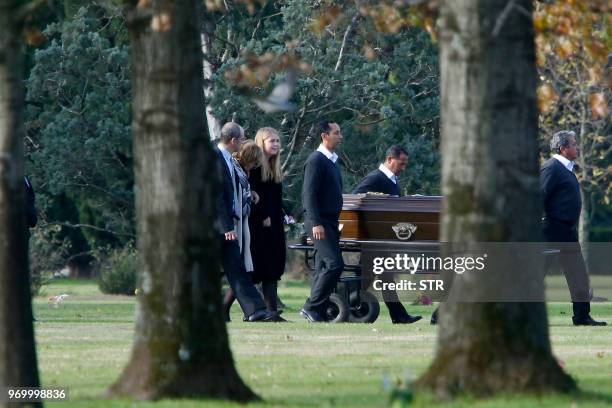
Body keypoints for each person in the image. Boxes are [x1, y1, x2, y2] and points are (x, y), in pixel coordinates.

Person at [541, 130, 606, 326]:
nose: (578, 147)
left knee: (578, 276)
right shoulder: (552, 168)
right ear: (563, 148)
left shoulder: (567, 169)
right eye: (574, 143)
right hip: (550, 231)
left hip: (567, 232)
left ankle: (582, 316)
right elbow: (538, 196)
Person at [352, 146, 422, 324]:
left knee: (378, 277)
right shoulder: (376, 177)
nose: (403, 168)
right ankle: (340, 304)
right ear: (390, 159)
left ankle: (397, 315)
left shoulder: (392, 180)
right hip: (373, 238)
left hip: (382, 238)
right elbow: (355, 198)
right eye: (401, 163)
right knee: (374, 277)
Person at [215, 122, 275, 322]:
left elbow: (232, 189)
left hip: (228, 223)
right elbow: (216, 197)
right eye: (241, 139)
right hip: (217, 227)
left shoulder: (228, 160)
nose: (243, 142)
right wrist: (226, 227)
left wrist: (251, 194)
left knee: (236, 268)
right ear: (233, 141)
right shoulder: (215, 159)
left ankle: (255, 310)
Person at [300, 121, 344, 322]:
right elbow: (308, 194)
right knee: (335, 264)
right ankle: (311, 306)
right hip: (319, 222)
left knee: (323, 268)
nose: (340, 136)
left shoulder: (333, 160)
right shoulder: (316, 160)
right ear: (324, 135)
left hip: (331, 222)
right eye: (336, 133)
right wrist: (316, 222)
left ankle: (318, 311)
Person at [248, 127, 288, 317]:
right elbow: (251, 197)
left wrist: (285, 214)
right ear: (261, 143)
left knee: (272, 271)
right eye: (271, 141)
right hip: (258, 226)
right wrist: (263, 215)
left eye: (278, 141)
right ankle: (225, 308)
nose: (276, 144)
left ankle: (272, 312)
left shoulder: (275, 169)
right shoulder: (254, 168)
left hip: (274, 226)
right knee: (255, 271)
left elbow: (276, 199)